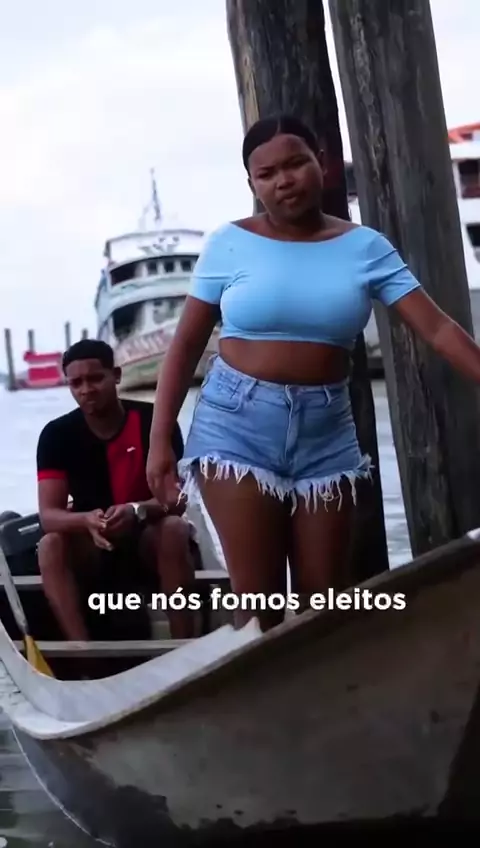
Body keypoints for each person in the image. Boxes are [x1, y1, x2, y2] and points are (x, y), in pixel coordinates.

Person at [146, 113, 480, 632]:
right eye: (267, 173)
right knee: (257, 607)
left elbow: (436, 328)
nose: (284, 180)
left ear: (321, 163)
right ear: (252, 184)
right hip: (236, 426)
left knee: (321, 605)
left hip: (326, 431)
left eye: (296, 163)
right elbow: (186, 345)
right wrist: (159, 441)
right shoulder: (229, 243)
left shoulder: (365, 247)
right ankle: (257, 686)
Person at [36, 338, 196, 642]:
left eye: (96, 378)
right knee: (49, 546)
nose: (86, 390)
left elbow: (177, 500)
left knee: (175, 528)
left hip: (149, 540)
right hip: (92, 545)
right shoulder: (56, 435)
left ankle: (184, 644)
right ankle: (83, 654)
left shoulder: (155, 423)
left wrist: (137, 511)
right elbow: (49, 516)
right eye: (76, 383)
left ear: (117, 375)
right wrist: (85, 520)